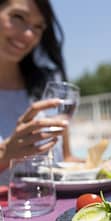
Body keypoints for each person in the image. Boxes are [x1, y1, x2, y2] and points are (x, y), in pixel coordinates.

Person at [0, 0, 81, 182]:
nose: (29, 35)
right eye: (18, 17)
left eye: (38, 27)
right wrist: (5, 154)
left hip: (56, 207)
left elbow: (66, 159)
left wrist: (104, 167)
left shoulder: (49, 83)